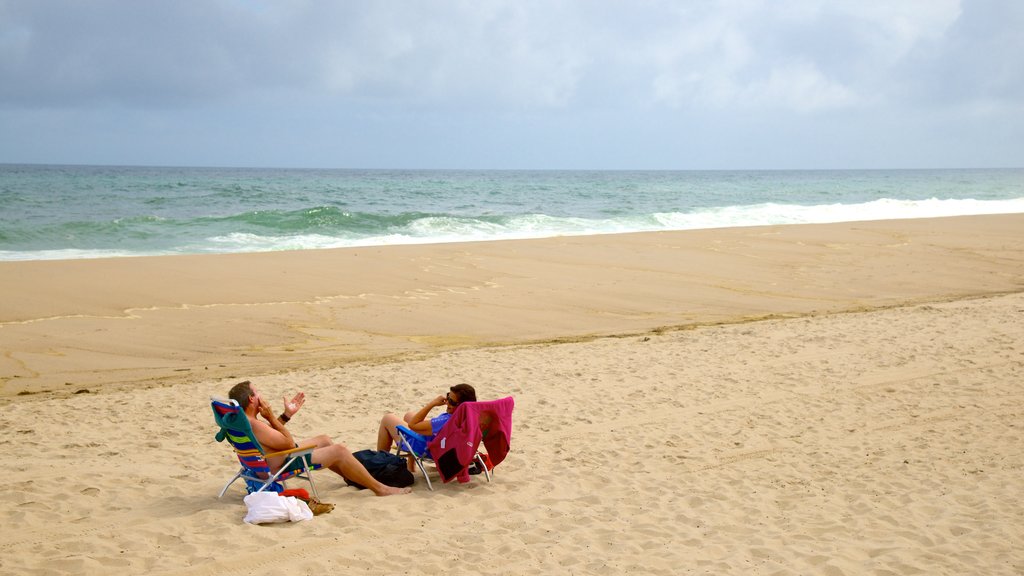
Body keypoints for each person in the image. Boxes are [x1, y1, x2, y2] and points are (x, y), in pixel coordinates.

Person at [228, 380, 410, 497]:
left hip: (272, 457)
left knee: (324, 439)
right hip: (282, 462)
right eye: (257, 391)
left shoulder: (244, 422)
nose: (261, 394)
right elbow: (289, 443)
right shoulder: (256, 424)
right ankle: (380, 489)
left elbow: (270, 438)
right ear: (252, 399)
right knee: (339, 450)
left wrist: (286, 416)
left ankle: (354, 478)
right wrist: (271, 417)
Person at [376, 383, 477, 462]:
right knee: (409, 415)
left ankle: (380, 460)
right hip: (448, 448)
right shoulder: (471, 418)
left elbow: (413, 425)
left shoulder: (447, 421)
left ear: (462, 406)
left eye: (452, 401)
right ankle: (411, 467)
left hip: (425, 448)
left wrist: (432, 403)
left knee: (388, 418)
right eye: (448, 397)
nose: (447, 402)